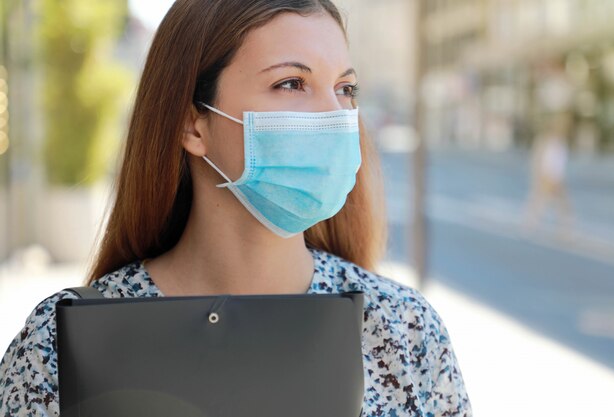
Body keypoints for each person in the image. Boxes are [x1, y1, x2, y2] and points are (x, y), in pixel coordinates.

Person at [0, 0, 472, 415]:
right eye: (291, 83)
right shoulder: (58, 344)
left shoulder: (404, 332)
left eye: (345, 90)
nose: (335, 114)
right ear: (193, 125)